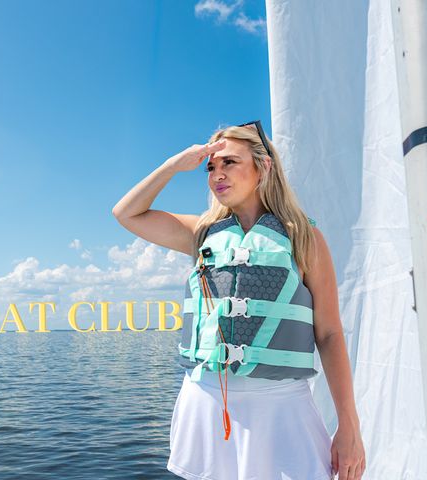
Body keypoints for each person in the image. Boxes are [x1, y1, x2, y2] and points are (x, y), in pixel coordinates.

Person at [111, 122, 365, 480]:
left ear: (263, 166)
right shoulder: (201, 232)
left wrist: (349, 424)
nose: (217, 174)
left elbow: (329, 334)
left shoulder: (305, 238)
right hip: (205, 399)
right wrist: (174, 165)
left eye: (229, 162)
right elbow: (126, 213)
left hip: (281, 406)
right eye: (210, 167)